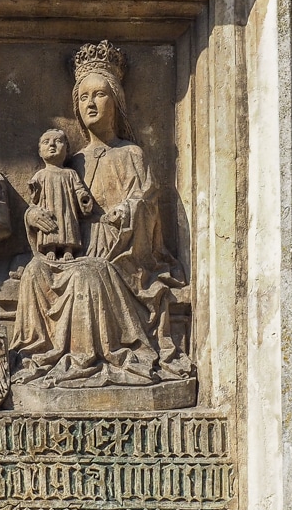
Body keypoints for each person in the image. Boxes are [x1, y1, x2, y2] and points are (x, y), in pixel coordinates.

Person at [11, 40, 192, 389]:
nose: (90, 103)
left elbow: (148, 204)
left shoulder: (131, 155)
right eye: (83, 97)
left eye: (99, 94)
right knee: (35, 272)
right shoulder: (72, 161)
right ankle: (35, 357)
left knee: (88, 275)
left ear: (116, 101)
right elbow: (50, 203)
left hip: (119, 255)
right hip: (72, 250)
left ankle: (86, 360)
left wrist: (127, 209)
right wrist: (32, 218)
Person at [26, 128, 93, 261]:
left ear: (67, 150)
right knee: (50, 225)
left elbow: (79, 189)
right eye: (46, 142)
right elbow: (34, 200)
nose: (52, 145)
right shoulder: (40, 175)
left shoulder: (70, 173)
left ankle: (68, 249)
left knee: (67, 224)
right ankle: (50, 248)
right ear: (40, 152)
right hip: (49, 209)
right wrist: (34, 190)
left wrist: (83, 198)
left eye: (58, 141)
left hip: (67, 209)